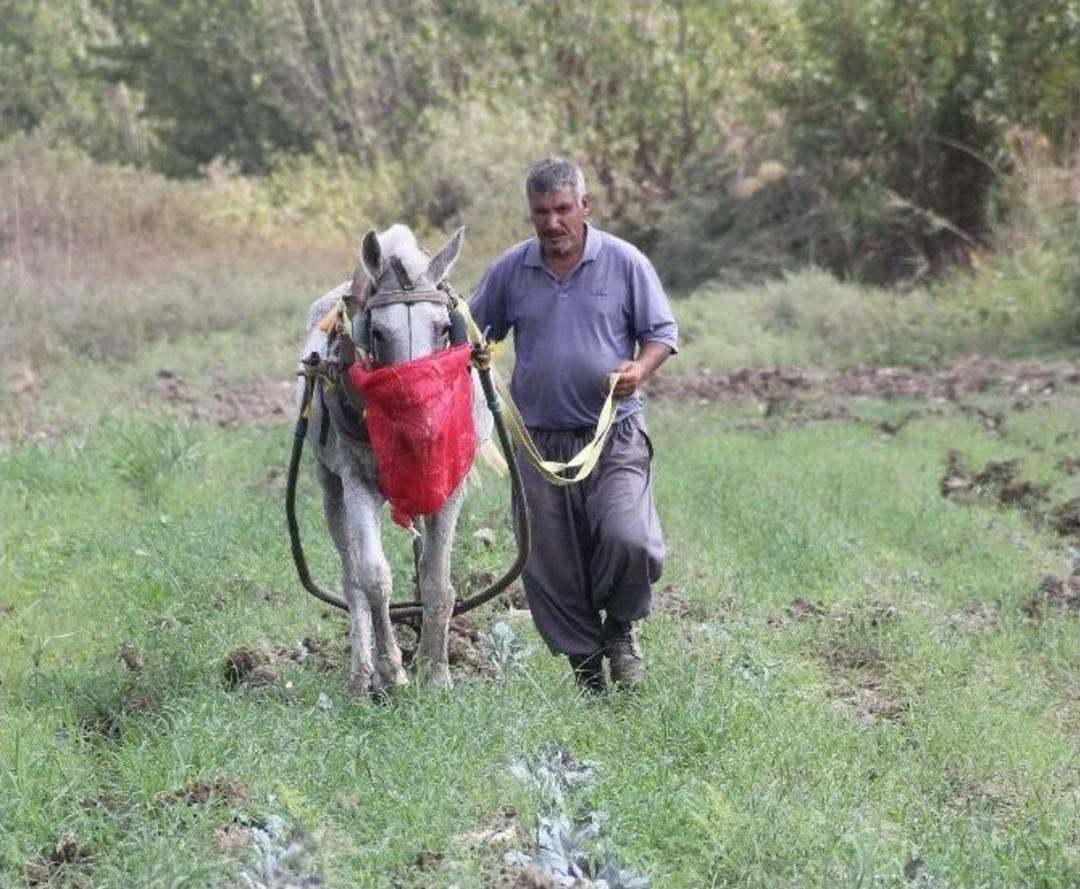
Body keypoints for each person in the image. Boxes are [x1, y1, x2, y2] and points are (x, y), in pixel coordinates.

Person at [469, 157, 678, 692]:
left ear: (585, 207)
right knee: (549, 563)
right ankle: (587, 673)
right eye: (541, 212)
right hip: (537, 442)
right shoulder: (512, 270)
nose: (552, 222)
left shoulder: (625, 262)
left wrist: (640, 368)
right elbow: (471, 332)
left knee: (630, 538)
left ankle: (621, 629)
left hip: (613, 433)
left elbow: (661, 334)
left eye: (563, 209)